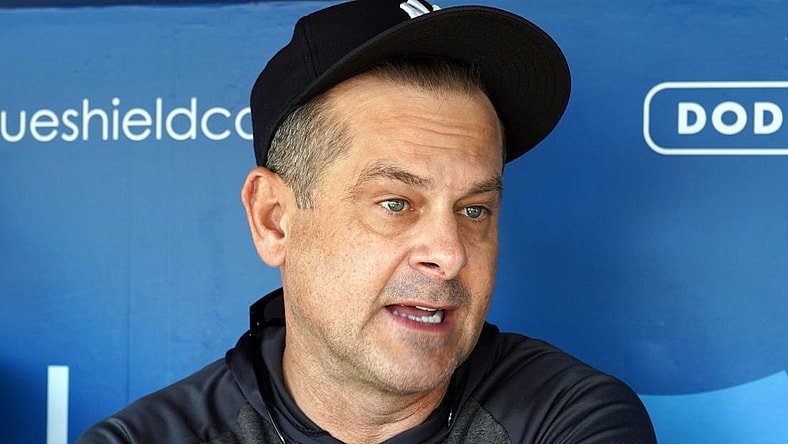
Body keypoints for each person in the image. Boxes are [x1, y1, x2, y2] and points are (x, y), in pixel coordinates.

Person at [79, 0, 656, 442]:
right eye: (395, 203)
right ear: (274, 220)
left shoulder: (569, 419)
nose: (450, 253)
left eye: (474, 210)